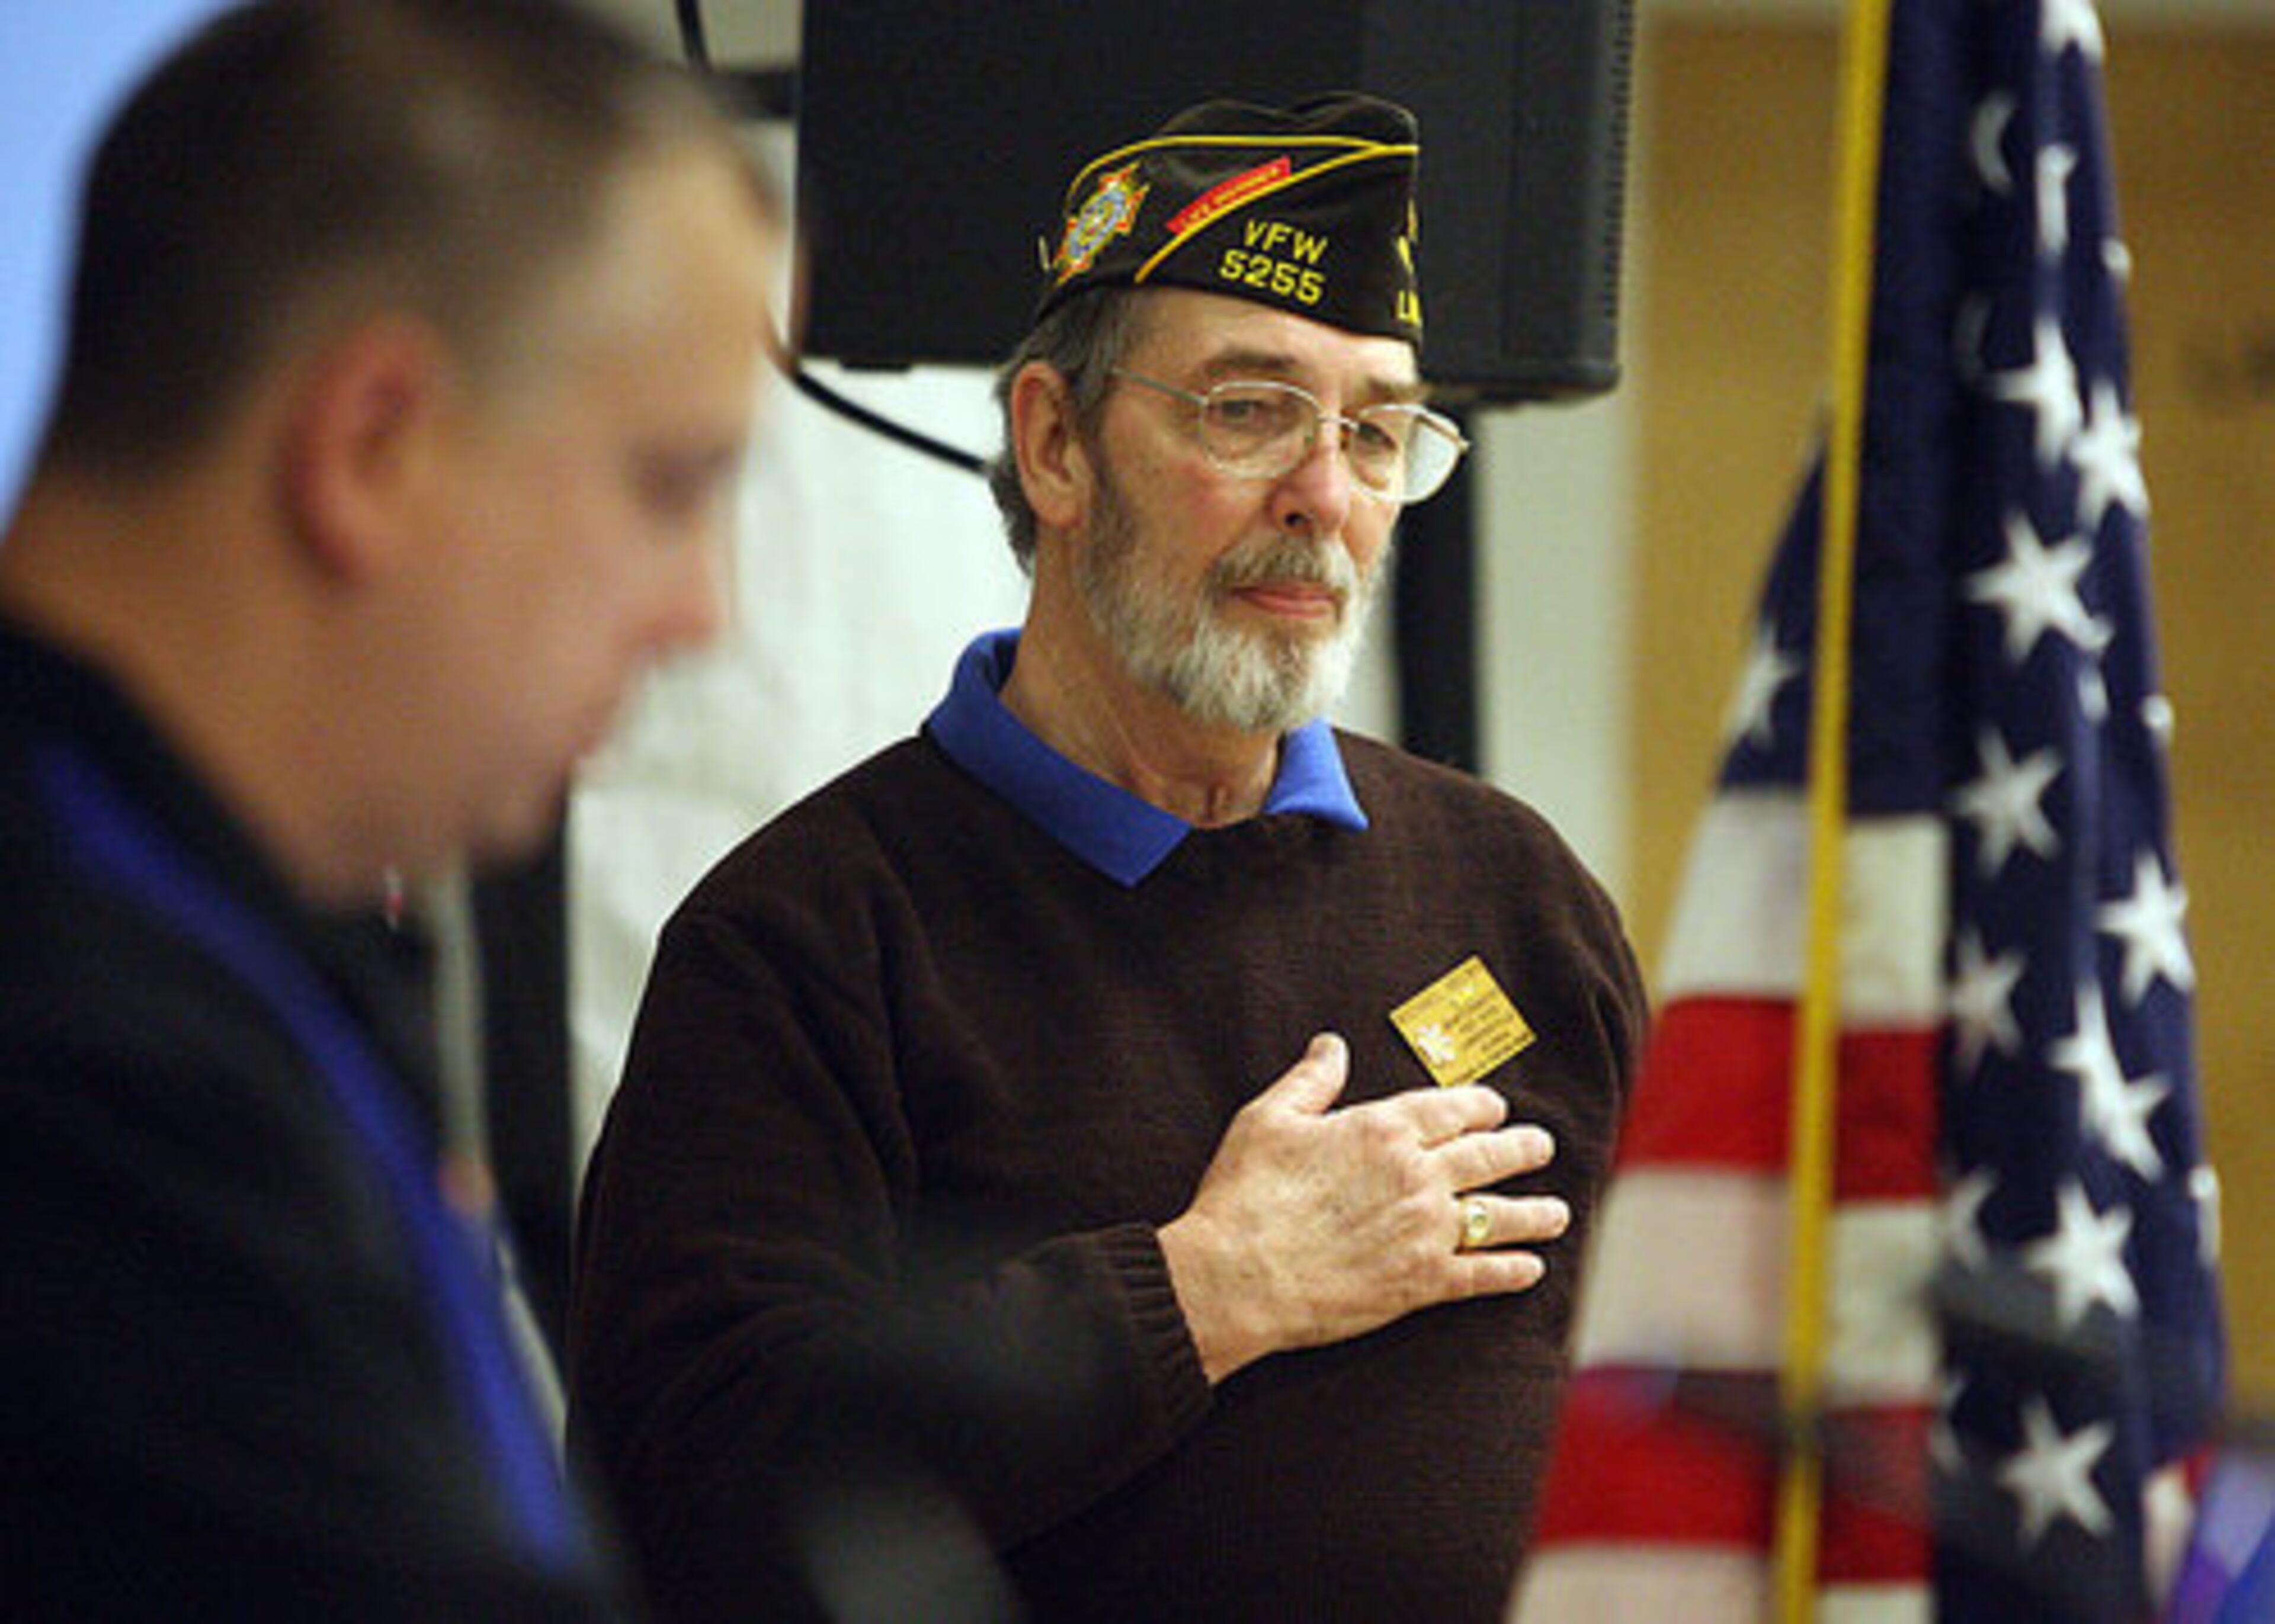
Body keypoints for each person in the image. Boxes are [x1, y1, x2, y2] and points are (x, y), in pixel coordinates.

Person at [569, 94, 1645, 1623]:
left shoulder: (1512, 888)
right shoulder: (812, 935)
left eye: (1379, 430)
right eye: (1248, 410)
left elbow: (1659, 1406)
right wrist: (1206, 1292)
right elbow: (682, 1488)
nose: (1325, 497)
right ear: (1057, 444)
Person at [0, 1, 780, 1616]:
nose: (702, 613)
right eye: (665, 486)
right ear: (368, 444)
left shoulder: (229, 944)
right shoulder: (81, 1064)